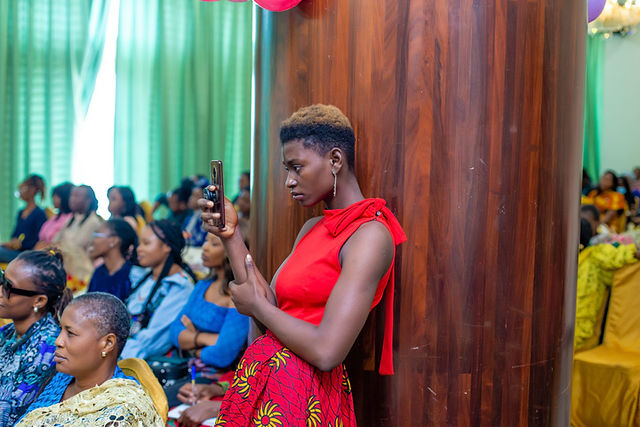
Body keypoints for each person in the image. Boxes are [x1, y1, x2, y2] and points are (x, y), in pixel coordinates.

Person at [199, 104, 406, 426]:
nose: (289, 181)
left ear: (335, 160)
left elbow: (327, 351)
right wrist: (231, 234)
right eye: (287, 170)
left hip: (305, 394)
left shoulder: (370, 235)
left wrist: (258, 306)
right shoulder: (312, 228)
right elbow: (271, 311)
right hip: (267, 379)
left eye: (297, 168)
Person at [16, 292, 163, 426]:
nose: (58, 341)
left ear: (107, 344)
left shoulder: (123, 410)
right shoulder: (62, 379)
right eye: (61, 330)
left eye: (70, 333)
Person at [166, 233, 250, 406]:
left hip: (214, 378)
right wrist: (205, 338)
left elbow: (222, 355)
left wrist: (192, 342)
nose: (205, 247)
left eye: (214, 244)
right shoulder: (202, 285)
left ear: (231, 251)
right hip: (185, 366)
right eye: (206, 241)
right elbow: (174, 332)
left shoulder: (237, 295)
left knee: (160, 403)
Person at [0, 249, 72, 426]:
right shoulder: (7, 332)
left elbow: (9, 417)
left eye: (8, 287)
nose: (0, 291)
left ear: (39, 301)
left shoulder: (48, 348)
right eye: (1, 280)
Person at [120, 220, 195, 360]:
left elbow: (152, 342)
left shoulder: (179, 287)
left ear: (167, 246)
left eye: (146, 243)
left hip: (143, 363)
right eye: (139, 243)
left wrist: (112, 353)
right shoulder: (145, 278)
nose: (139, 249)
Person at [52, 185, 103, 291]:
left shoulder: (93, 221)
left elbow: (77, 245)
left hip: (80, 270)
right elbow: (55, 240)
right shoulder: (71, 219)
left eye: (77, 196)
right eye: (71, 195)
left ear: (88, 200)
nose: (72, 199)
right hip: (65, 266)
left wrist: (58, 246)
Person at [87, 219, 139, 302]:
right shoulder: (99, 272)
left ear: (113, 241)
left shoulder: (133, 276)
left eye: (97, 235)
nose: (92, 240)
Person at [0, 175, 48, 263]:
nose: (20, 192)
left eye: (22, 189)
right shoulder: (20, 212)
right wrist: (13, 242)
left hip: (28, 255)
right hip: (16, 251)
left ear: (32, 190)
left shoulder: (39, 214)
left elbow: (40, 239)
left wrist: (21, 244)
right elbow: (15, 234)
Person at [35, 182, 74, 248]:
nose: (53, 199)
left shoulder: (70, 218)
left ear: (65, 197)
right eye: (53, 196)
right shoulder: (55, 217)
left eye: (56, 196)